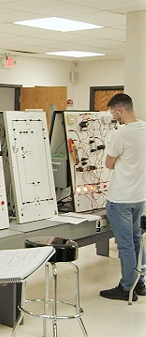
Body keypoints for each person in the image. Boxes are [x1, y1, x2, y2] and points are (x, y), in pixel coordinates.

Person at [99, 93, 146, 301]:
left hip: (120, 198)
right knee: (136, 240)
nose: (113, 117)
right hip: (139, 196)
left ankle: (127, 287)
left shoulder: (121, 134)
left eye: (112, 112)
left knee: (125, 244)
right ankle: (140, 282)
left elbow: (109, 164)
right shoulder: (144, 128)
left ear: (120, 110)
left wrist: (119, 161)